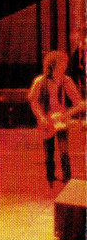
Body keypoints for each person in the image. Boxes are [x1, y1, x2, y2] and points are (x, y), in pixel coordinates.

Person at [28, 50, 85, 186]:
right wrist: (41, 117)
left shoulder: (66, 81)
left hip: (61, 121)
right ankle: (50, 177)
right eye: (62, 63)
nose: (65, 65)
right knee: (49, 153)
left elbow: (79, 103)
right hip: (46, 121)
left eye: (65, 63)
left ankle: (67, 179)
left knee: (64, 152)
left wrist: (66, 114)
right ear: (53, 64)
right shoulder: (40, 81)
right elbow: (33, 101)